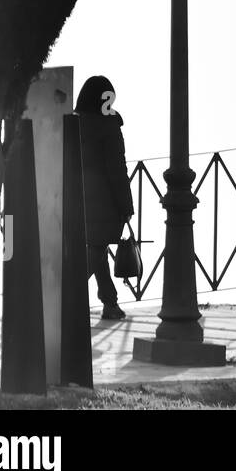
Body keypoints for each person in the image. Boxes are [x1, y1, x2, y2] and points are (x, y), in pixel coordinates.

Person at [75, 74, 134, 321]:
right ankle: (67, 293)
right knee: (97, 250)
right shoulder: (109, 126)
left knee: (97, 248)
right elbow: (117, 169)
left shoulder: (74, 123)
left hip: (78, 197)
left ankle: (110, 302)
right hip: (105, 200)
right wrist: (126, 205)